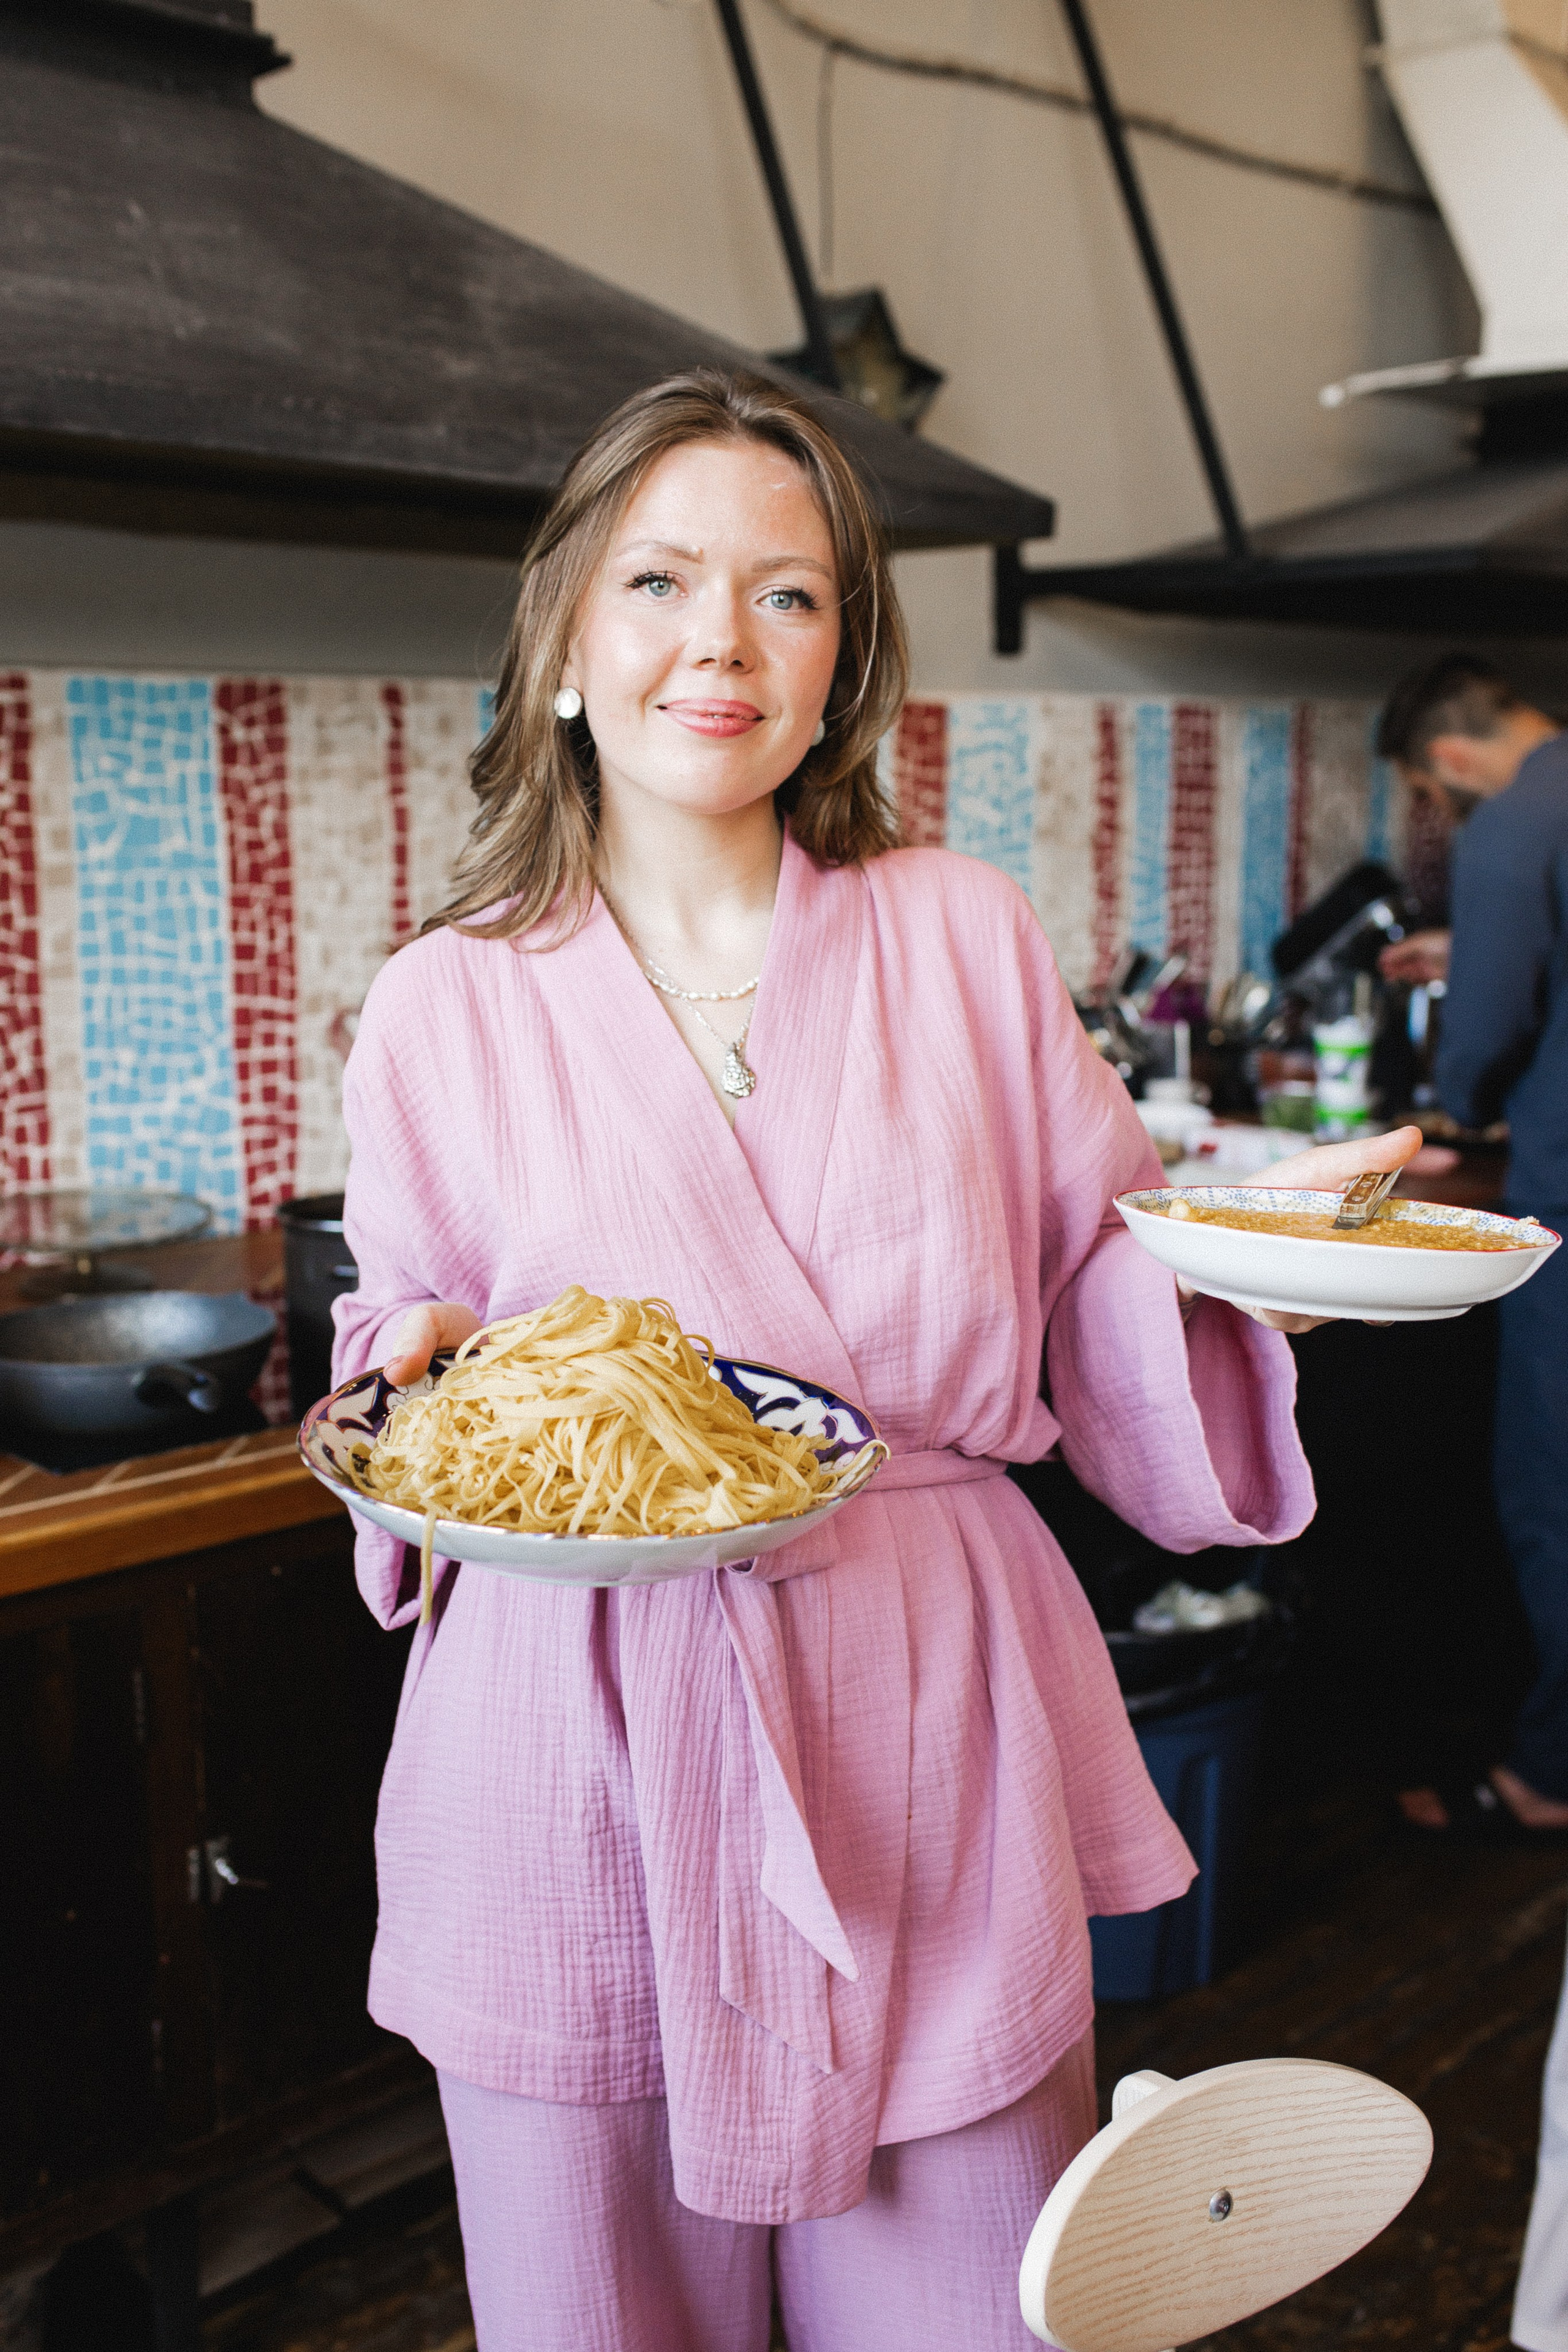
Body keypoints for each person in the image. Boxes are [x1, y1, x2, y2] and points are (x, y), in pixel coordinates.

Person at [334, 368, 1419, 2352]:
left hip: (922, 1721)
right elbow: (397, 1330)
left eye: (790, 595)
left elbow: (1101, 1266)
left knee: (975, 2305)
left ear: (840, 668)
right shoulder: (440, 1005)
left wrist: (1249, 1268)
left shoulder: (965, 937)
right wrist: (403, 1362)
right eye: (660, 580)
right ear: (567, 636)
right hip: (575, 1737)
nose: (721, 642)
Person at [1377, 654, 1568, 1835]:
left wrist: (1449, 1107)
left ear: (1449, 764)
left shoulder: (1515, 823)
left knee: (1553, 1484)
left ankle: (1545, 1778)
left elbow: (1485, 1045)